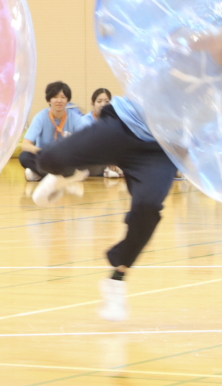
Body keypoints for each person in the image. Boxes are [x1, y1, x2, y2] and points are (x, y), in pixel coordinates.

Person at [30, 95, 179, 321]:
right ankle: (72, 172)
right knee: (48, 159)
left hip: (161, 149)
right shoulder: (182, 62)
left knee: (148, 208)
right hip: (122, 125)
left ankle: (116, 281)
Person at [17, 81, 93, 182]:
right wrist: (43, 152)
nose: (59, 100)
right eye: (55, 97)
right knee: (24, 156)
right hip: (45, 158)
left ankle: (40, 175)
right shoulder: (40, 117)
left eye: (63, 97)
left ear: (67, 100)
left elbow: (84, 142)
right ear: (49, 100)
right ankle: (63, 177)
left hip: (66, 159)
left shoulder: (75, 118)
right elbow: (25, 145)